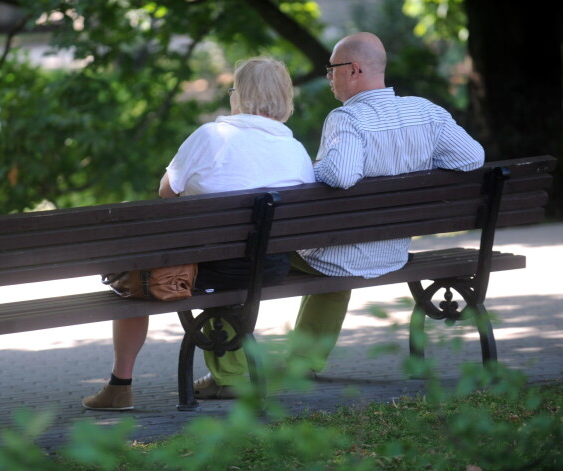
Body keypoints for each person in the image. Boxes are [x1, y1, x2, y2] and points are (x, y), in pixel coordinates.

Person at [196, 31, 485, 393]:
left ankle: (230, 376)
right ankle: (303, 364)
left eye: (332, 69)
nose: (328, 76)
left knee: (239, 262)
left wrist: (309, 169)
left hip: (344, 251)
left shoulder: (348, 119)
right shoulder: (427, 112)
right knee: (334, 260)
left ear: (354, 69)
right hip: (392, 251)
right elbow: (473, 157)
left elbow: (341, 174)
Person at [82, 57, 315, 410]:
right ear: (285, 98)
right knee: (223, 264)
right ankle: (226, 377)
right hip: (271, 267)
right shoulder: (296, 150)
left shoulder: (212, 136)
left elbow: (166, 191)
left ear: (239, 97)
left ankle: (120, 386)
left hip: (212, 270)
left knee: (135, 270)